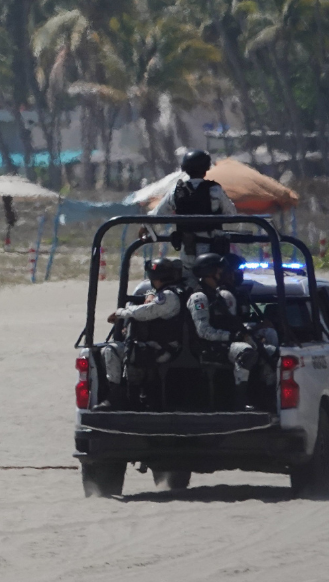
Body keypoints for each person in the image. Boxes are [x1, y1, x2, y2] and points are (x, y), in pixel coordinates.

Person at [98, 258, 186, 410]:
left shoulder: (170, 296)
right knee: (111, 349)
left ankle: (137, 397)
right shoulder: (162, 292)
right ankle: (115, 395)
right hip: (150, 344)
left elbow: (147, 312)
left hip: (164, 347)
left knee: (135, 352)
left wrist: (121, 313)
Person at [186, 253, 260, 408]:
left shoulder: (218, 295)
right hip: (208, 346)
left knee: (265, 349)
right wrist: (231, 336)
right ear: (209, 273)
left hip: (223, 343)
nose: (222, 276)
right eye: (219, 272)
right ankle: (240, 401)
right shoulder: (199, 298)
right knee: (246, 352)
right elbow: (203, 331)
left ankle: (265, 395)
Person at [154, 150, 237, 257]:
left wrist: (144, 226)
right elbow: (231, 214)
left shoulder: (176, 191)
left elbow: (157, 214)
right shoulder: (215, 190)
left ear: (185, 169)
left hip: (188, 251)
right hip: (213, 252)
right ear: (206, 169)